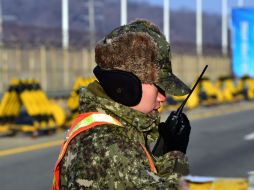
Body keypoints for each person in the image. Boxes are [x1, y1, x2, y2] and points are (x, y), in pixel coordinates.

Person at [52, 19, 192, 190]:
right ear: (125, 86)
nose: (163, 97)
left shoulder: (114, 130)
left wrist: (164, 150)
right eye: (159, 87)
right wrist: (175, 157)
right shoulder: (107, 148)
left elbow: (140, 177)